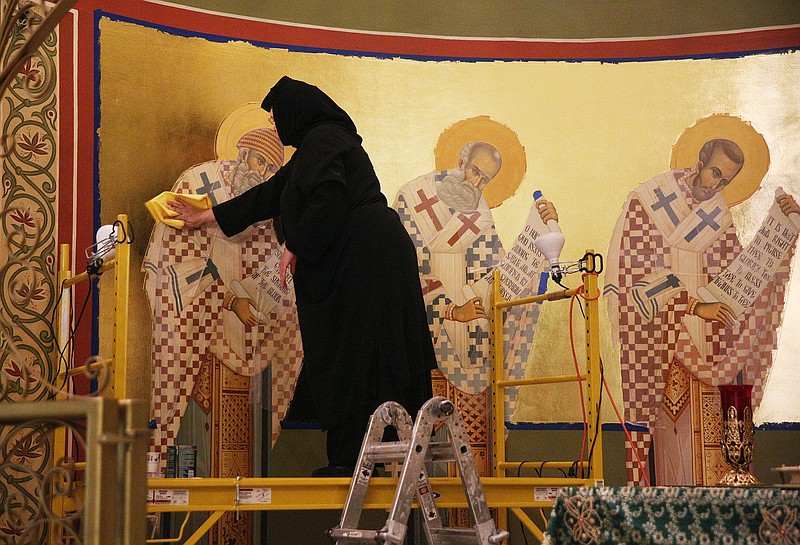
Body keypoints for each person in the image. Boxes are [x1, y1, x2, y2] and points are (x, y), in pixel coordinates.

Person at [169, 76, 437, 476]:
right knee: (358, 355)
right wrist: (207, 215)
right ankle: (359, 458)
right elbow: (270, 195)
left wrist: (295, 245)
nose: (276, 126)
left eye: (278, 117)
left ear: (299, 112)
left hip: (368, 261)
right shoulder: (319, 145)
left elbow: (329, 198)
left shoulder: (325, 139)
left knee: (358, 353)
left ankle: (353, 460)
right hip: (366, 258)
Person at [605, 136, 799, 485]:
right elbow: (632, 281)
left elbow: (740, 282)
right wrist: (693, 305)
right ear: (699, 161)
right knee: (663, 449)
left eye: (725, 181)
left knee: (706, 456)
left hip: (708, 353)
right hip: (656, 347)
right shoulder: (647, 202)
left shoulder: (718, 219)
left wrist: (781, 236)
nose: (716, 185)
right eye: (714, 173)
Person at [393, 139, 557, 477]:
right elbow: (405, 268)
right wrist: (451, 310)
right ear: (460, 160)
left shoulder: (480, 214)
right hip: (420, 333)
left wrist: (541, 237)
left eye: (486, 180)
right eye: (474, 172)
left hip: (467, 342)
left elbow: (494, 273)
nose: (476, 184)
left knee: (473, 438)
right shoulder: (413, 196)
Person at [143, 127, 304, 463]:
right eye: (258, 160)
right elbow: (174, 265)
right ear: (241, 152)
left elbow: (274, 265)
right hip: (200, 339)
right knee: (197, 441)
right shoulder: (200, 183)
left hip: (251, 345)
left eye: (269, 168)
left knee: (244, 446)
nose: (260, 172)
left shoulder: (267, 206)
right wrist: (230, 301)